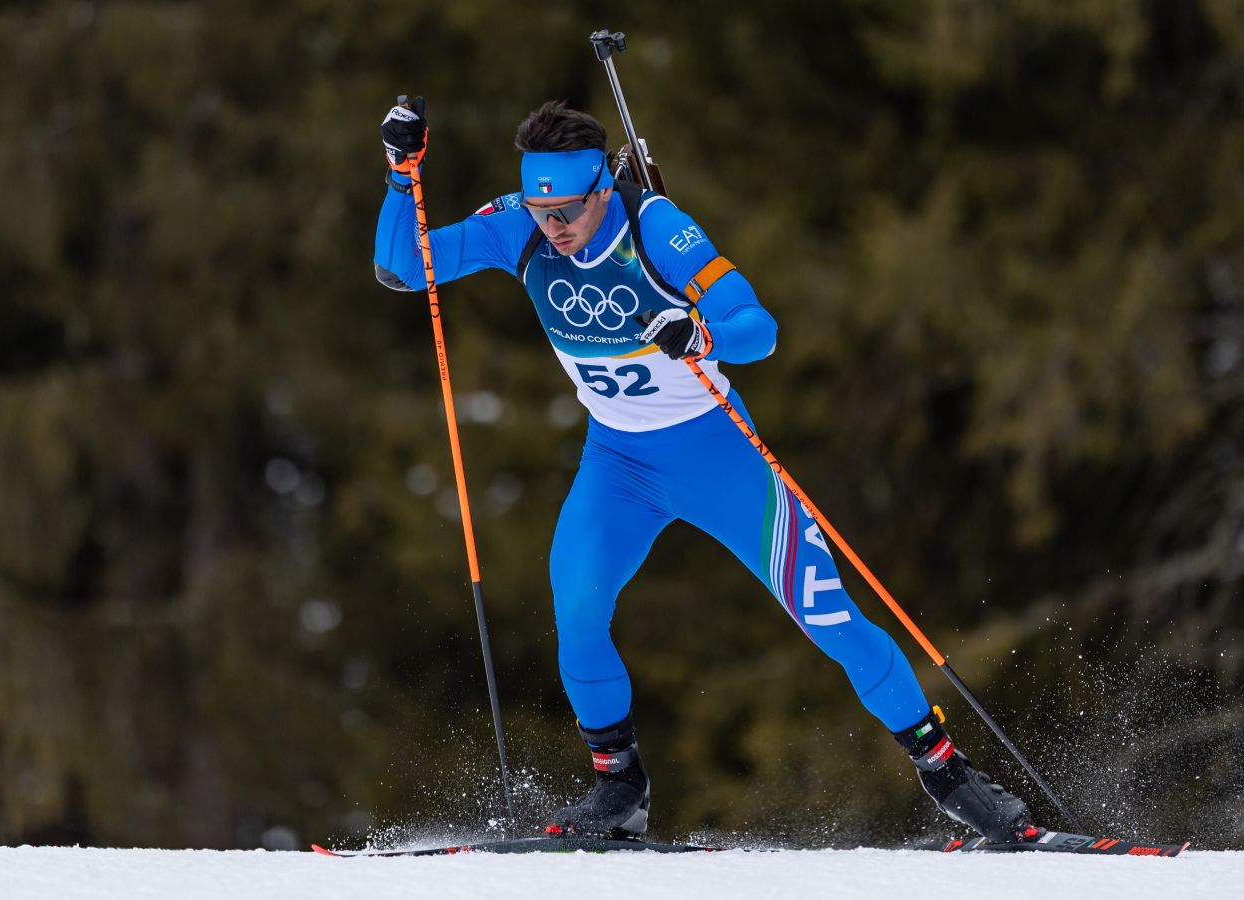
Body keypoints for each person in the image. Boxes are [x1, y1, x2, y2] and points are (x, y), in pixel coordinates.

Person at [374, 96, 1036, 843]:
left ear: (603, 189)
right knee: (578, 607)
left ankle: (949, 774)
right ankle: (619, 787)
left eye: (567, 210)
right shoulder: (518, 226)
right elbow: (402, 268)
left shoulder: (657, 227)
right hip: (617, 463)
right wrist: (402, 174)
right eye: (540, 208)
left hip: (718, 455)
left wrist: (700, 332)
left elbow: (759, 329)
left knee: (828, 617)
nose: (553, 226)